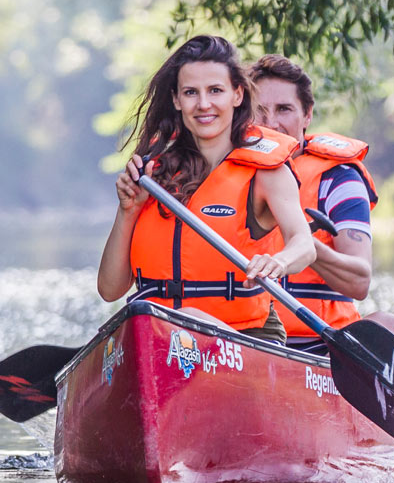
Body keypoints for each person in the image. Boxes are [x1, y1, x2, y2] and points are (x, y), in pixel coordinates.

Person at [98, 35, 316, 340]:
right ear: (176, 100)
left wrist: (279, 261)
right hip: (160, 339)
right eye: (191, 92)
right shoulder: (153, 174)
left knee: (186, 320)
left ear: (237, 94)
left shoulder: (266, 172)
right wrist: (128, 210)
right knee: (158, 326)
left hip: (246, 338)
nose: (203, 104)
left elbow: (304, 245)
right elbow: (109, 290)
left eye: (215, 90)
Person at [246, 54, 394, 345]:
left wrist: (300, 242)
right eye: (259, 110)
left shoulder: (338, 180)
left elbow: (360, 281)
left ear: (307, 115)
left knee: (391, 326)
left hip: (322, 342)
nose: (270, 123)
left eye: (284, 109)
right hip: (242, 337)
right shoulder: (223, 171)